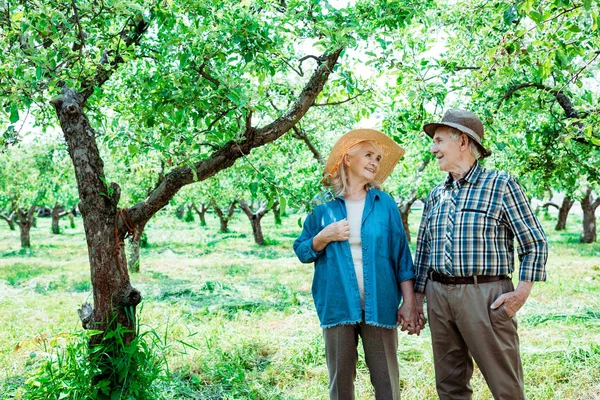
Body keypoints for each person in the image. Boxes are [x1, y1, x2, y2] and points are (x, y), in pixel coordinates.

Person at [413, 109, 548, 400]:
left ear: (462, 142)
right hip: (439, 296)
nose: (432, 148)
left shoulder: (501, 185)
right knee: (449, 385)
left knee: (505, 386)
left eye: (438, 141)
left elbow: (534, 242)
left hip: (485, 296)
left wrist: (520, 294)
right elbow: (423, 250)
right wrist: (417, 300)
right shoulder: (436, 194)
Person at [293, 128, 419, 400]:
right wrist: (323, 237)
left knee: (387, 382)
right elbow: (302, 250)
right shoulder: (322, 205)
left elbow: (402, 256)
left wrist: (409, 303)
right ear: (348, 159)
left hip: (381, 304)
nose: (375, 161)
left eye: (378, 157)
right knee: (340, 385)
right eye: (369, 155)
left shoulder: (384, 204)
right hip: (337, 303)